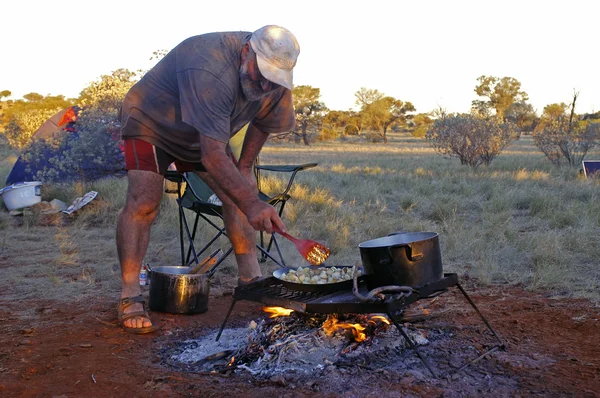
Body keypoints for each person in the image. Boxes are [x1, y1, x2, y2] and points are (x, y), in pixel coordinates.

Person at [116, 25, 300, 334]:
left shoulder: (275, 80)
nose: (264, 83)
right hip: (151, 121)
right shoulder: (209, 64)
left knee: (238, 193)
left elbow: (264, 122)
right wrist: (252, 203)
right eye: (261, 74)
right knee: (145, 202)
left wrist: (244, 168)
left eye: (272, 79)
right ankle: (129, 294)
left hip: (203, 133)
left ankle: (251, 281)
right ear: (246, 52)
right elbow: (212, 155)